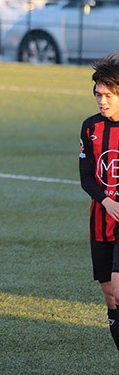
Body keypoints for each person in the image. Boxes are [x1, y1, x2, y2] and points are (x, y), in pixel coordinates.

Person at [79, 53, 119, 357]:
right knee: (109, 297)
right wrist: (105, 201)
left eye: (107, 95)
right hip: (101, 222)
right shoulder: (90, 127)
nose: (101, 101)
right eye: (97, 95)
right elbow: (86, 177)